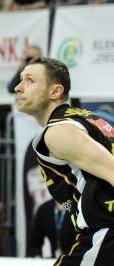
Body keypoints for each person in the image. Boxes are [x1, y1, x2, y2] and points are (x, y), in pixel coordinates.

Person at [15, 57, 114, 264]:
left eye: (29, 80)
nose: (18, 87)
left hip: (105, 234)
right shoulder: (85, 118)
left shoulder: (59, 131)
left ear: (55, 92)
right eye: (21, 79)